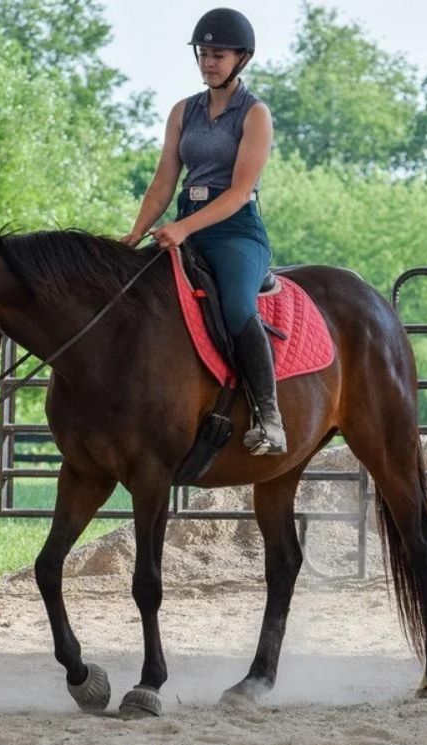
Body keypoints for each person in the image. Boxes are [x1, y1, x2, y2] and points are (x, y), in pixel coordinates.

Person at [121, 7, 285, 456]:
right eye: (204, 54)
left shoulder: (255, 115)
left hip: (236, 231)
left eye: (219, 55)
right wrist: (135, 234)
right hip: (185, 227)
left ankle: (270, 417)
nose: (209, 63)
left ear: (241, 59)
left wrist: (181, 228)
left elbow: (237, 193)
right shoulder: (182, 112)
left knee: (235, 307)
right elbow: (162, 183)